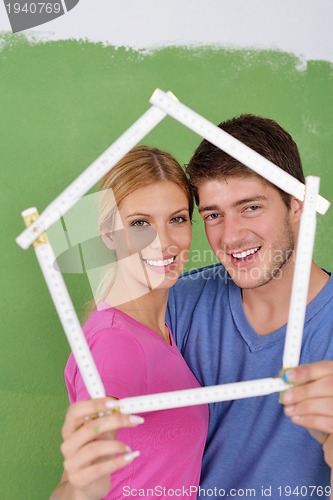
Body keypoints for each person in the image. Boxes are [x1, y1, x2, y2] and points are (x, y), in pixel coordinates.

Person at [167, 114, 333, 498]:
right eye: (213, 215)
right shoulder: (176, 305)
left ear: (298, 204)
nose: (231, 236)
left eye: (251, 207)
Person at [52, 146, 209, 500]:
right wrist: (81, 490)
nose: (164, 242)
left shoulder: (160, 330)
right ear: (108, 235)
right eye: (140, 223)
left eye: (178, 219)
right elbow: (71, 486)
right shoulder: (114, 343)